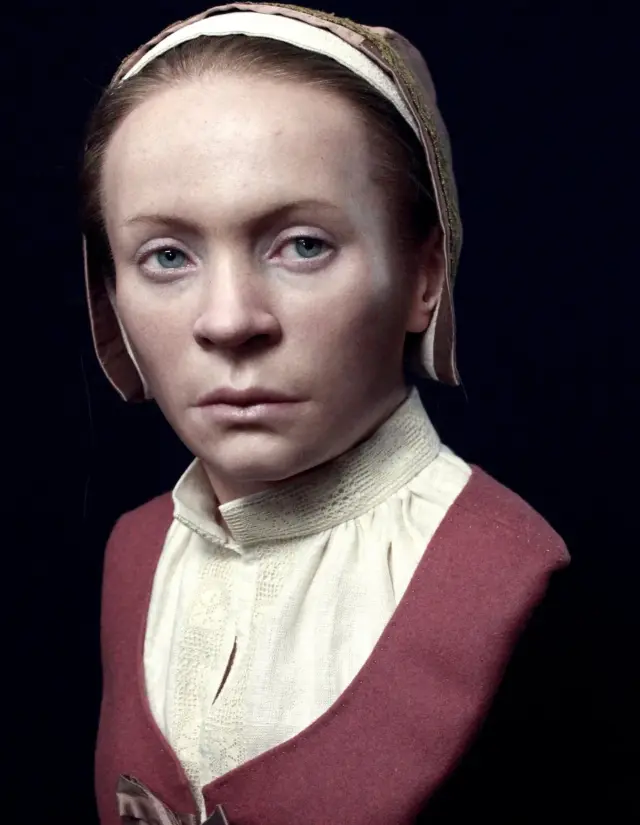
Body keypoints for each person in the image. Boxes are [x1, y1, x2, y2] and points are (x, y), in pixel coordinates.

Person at [81, 4, 569, 824]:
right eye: (167, 256)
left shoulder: (513, 572)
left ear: (424, 275)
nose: (230, 320)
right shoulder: (132, 553)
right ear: (113, 295)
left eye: (303, 244)